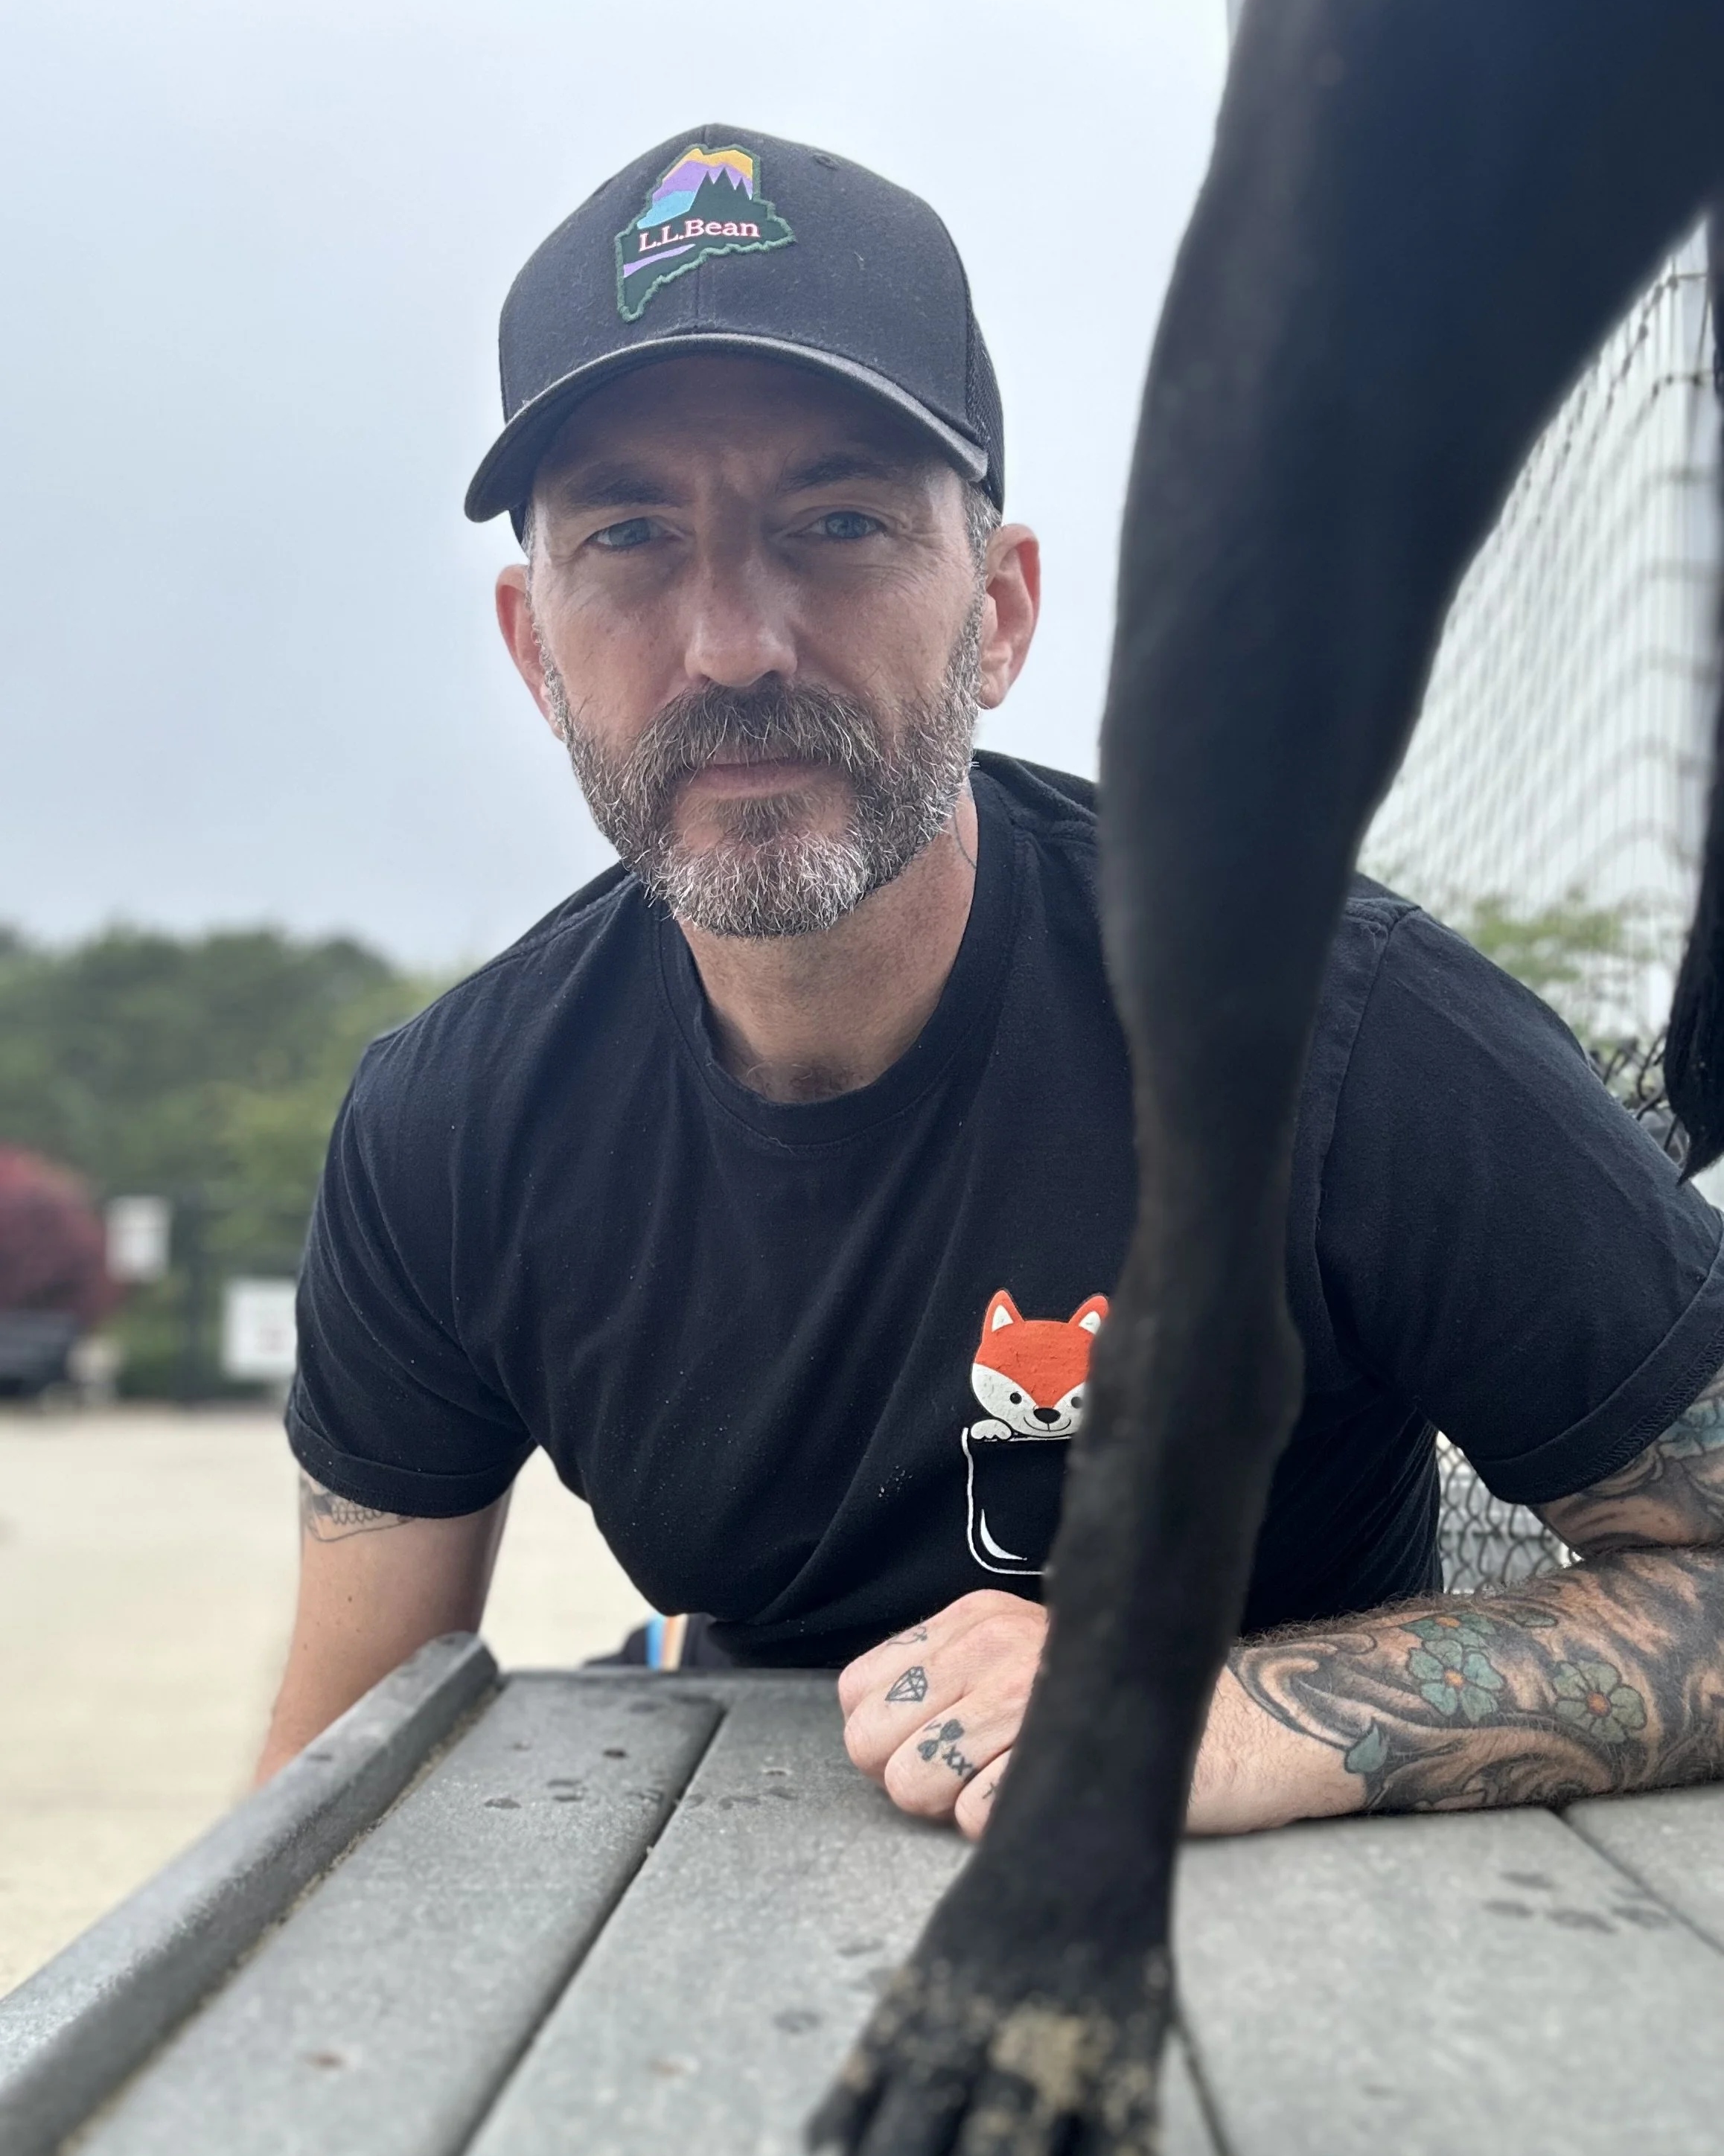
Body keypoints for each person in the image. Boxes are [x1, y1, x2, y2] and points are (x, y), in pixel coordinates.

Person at [259, 128, 1724, 1838]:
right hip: (735, 1848)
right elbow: (325, 1781)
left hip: (1281, 1905)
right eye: (634, 536)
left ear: (1002, 612)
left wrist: (1219, 1705)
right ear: (532, 644)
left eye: (841, 520)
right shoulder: (452, 1127)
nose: (734, 643)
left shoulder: (1336, 1028)